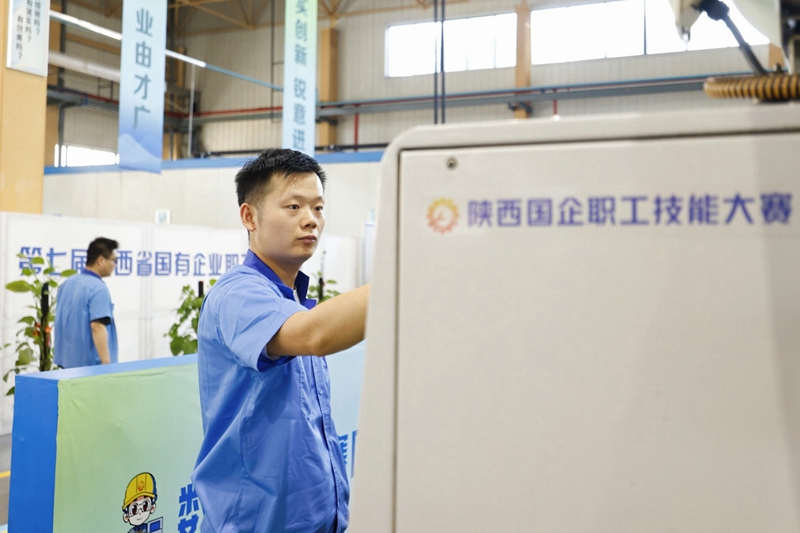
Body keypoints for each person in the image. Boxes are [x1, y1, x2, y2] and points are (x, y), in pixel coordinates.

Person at [191, 149, 370, 533]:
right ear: (249, 216)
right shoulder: (237, 294)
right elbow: (315, 335)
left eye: (318, 208)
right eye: (293, 206)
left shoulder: (290, 301)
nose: (311, 219)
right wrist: (406, 272)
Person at [54, 237, 119, 368]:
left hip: (65, 366)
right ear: (101, 260)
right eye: (114, 260)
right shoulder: (98, 288)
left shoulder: (67, 283)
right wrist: (106, 365)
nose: (115, 265)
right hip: (90, 369)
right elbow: (97, 327)